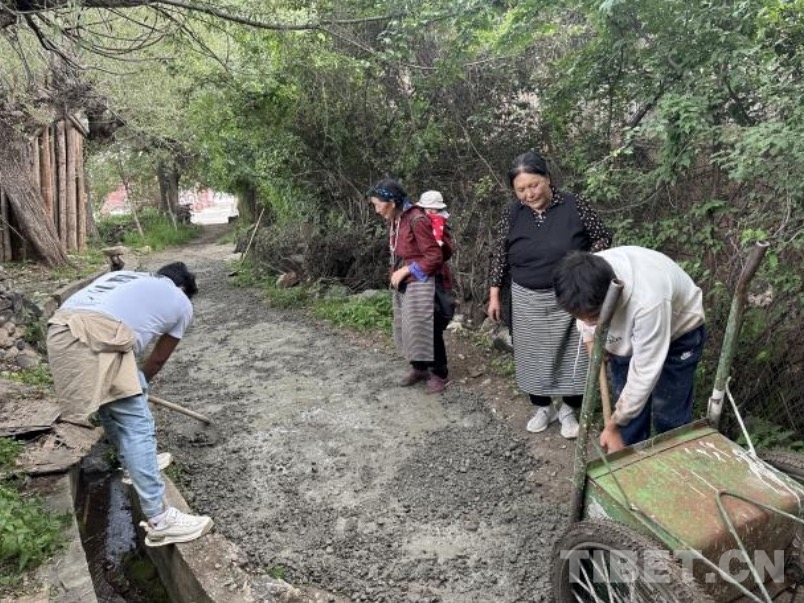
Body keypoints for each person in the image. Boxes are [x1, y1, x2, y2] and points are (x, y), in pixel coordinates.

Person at [46, 262, 214, 547]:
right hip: (97, 335)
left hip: (60, 331)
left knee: (109, 403)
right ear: (184, 287)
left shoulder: (123, 278)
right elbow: (157, 359)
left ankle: (130, 466)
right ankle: (161, 520)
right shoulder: (182, 301)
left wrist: (135, 382)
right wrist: (141, 383)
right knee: (137, 424)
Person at [487, 150, 612, 438]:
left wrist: (582, 267)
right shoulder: (512, 213)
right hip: (525, 297)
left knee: (573, 357)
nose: (529, 194)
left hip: (568, 299)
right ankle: (542, 407)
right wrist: (494, 294)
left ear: (548, 178)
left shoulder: (574, 204)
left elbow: (602, 237)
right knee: (531, 356)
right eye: (521, 189)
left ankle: (568, 409)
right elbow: (500, 254)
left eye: (534, 185)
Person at [553, 246, 706, 453]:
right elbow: (584, 315)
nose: (588, 322)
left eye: (594, 316)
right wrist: (591, 339)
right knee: (628, 412)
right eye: (581, 317)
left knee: (668, 413)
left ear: (612, 295)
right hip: (628, 327)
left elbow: (644, 373)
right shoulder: (582, 275)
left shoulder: (648, 301)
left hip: (678, 331)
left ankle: (675, 459)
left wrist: (613, 425)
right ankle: (629, 458)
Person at [368, 178, 454, 394]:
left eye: (378, 205)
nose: (376, 210)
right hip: (408, 283)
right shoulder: (397, 219)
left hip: (423, 283)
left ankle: (440, 374)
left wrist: (406, 270)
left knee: (428, 327)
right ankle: (420, 368)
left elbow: (434, 257)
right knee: (409, 326)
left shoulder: (417, 220)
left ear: (391, 203)